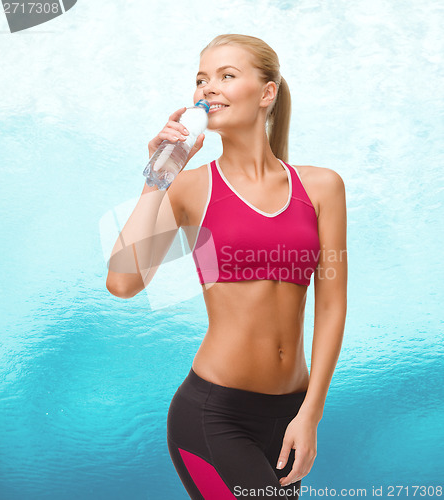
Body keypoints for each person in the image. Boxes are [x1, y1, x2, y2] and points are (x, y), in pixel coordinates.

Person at [106, 33, 347, 500]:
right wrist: (158, 177)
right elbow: (122, 282)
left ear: (266, 93)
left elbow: (332, 306)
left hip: (291, 414)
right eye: (201, 79)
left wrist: (310, 414)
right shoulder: (189, 188)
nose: (207, 88)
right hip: (214, 415)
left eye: (226, 76)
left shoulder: (323, 188)